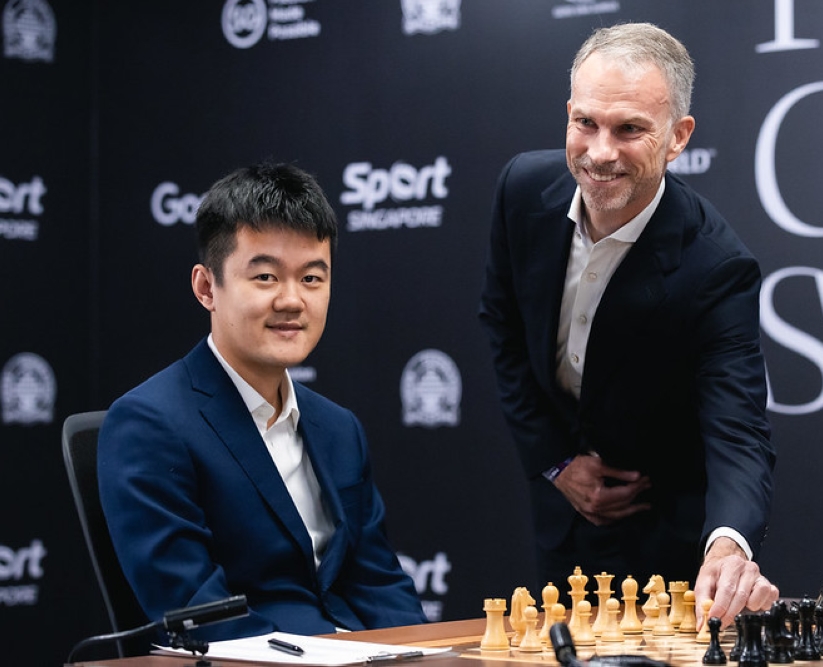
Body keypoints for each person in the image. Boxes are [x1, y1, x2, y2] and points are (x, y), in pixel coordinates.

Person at [479, 23, 779, 628]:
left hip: (662, 532)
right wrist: (557, 462)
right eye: (585, 123)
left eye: (630, 129)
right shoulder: (521, 189)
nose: (600, 152)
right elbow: (503, 326)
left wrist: (728, 542)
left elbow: (738, 426)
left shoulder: (716, 266)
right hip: (560, 511)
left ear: (678, 138)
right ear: (568, 114)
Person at [98, 162, 426, 641]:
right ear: (207, 287)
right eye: (267, 277)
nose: (293, 300)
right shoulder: (149, 424)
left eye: (312, 279)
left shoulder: (338, 428)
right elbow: (198, 611)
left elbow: (379, 582)